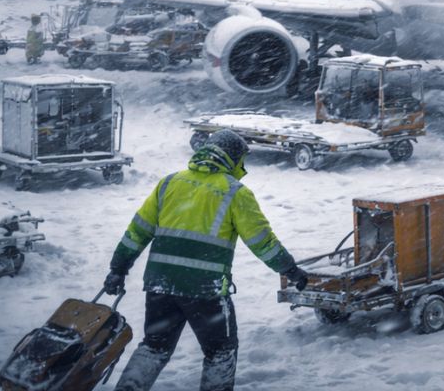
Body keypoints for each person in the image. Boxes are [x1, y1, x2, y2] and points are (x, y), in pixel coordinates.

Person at [103, 129, 308, 390]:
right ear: (232, 159)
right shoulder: (235, 193)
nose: (243, 166)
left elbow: (137, 231)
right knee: (220, 352)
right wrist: (291, 270)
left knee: (154, 347)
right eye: (241, 160)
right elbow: (262, 242)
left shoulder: (169, 183)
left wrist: (118, 268)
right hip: (205, 291)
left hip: (161, 285)